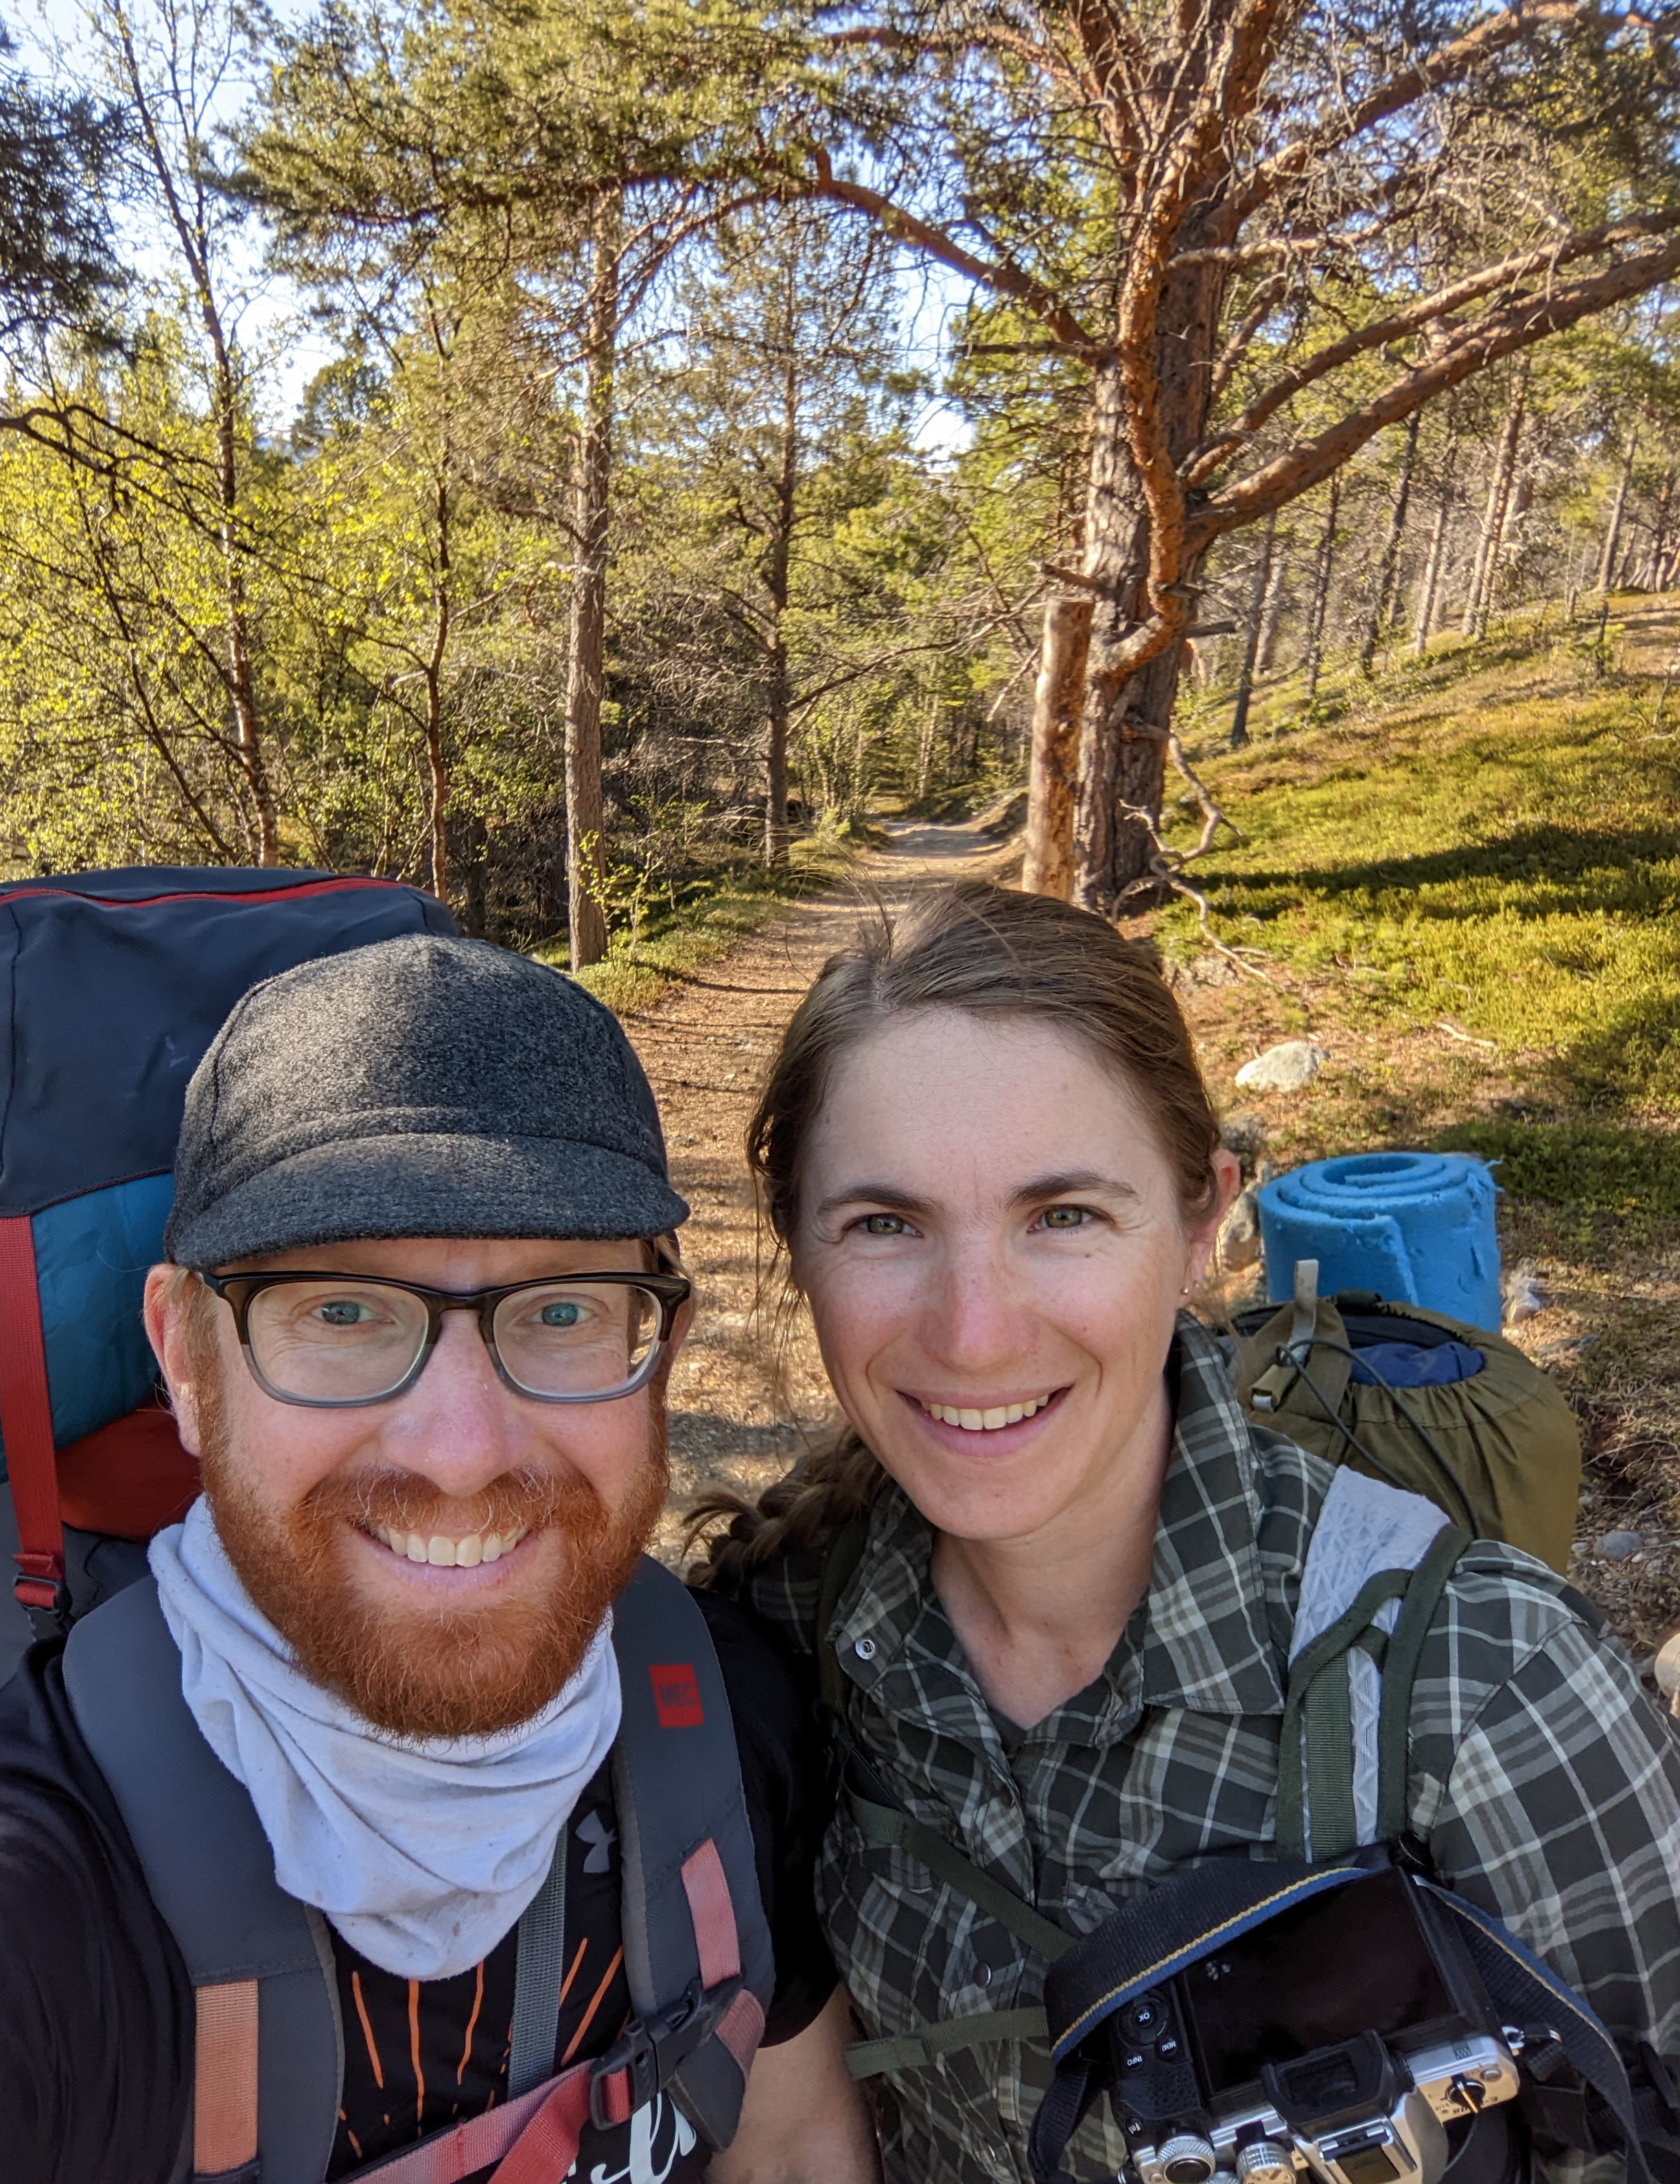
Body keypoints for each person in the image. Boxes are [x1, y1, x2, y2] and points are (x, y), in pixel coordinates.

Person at [691, 880, 1680, 2184]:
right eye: (885, 1224)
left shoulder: (1487, 1690)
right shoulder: (781, 1636)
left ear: (1205, 1221)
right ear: (797, 1251)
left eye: (1065, 1217)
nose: (974, 1331)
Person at [0, 933, 877, 2184]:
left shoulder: (728, 1720)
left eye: (562, 1308)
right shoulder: (50, 1901)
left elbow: (791, 2144)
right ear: (188, 1364)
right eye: (343, 1311)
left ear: (662, 1355)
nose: (462, 1454)